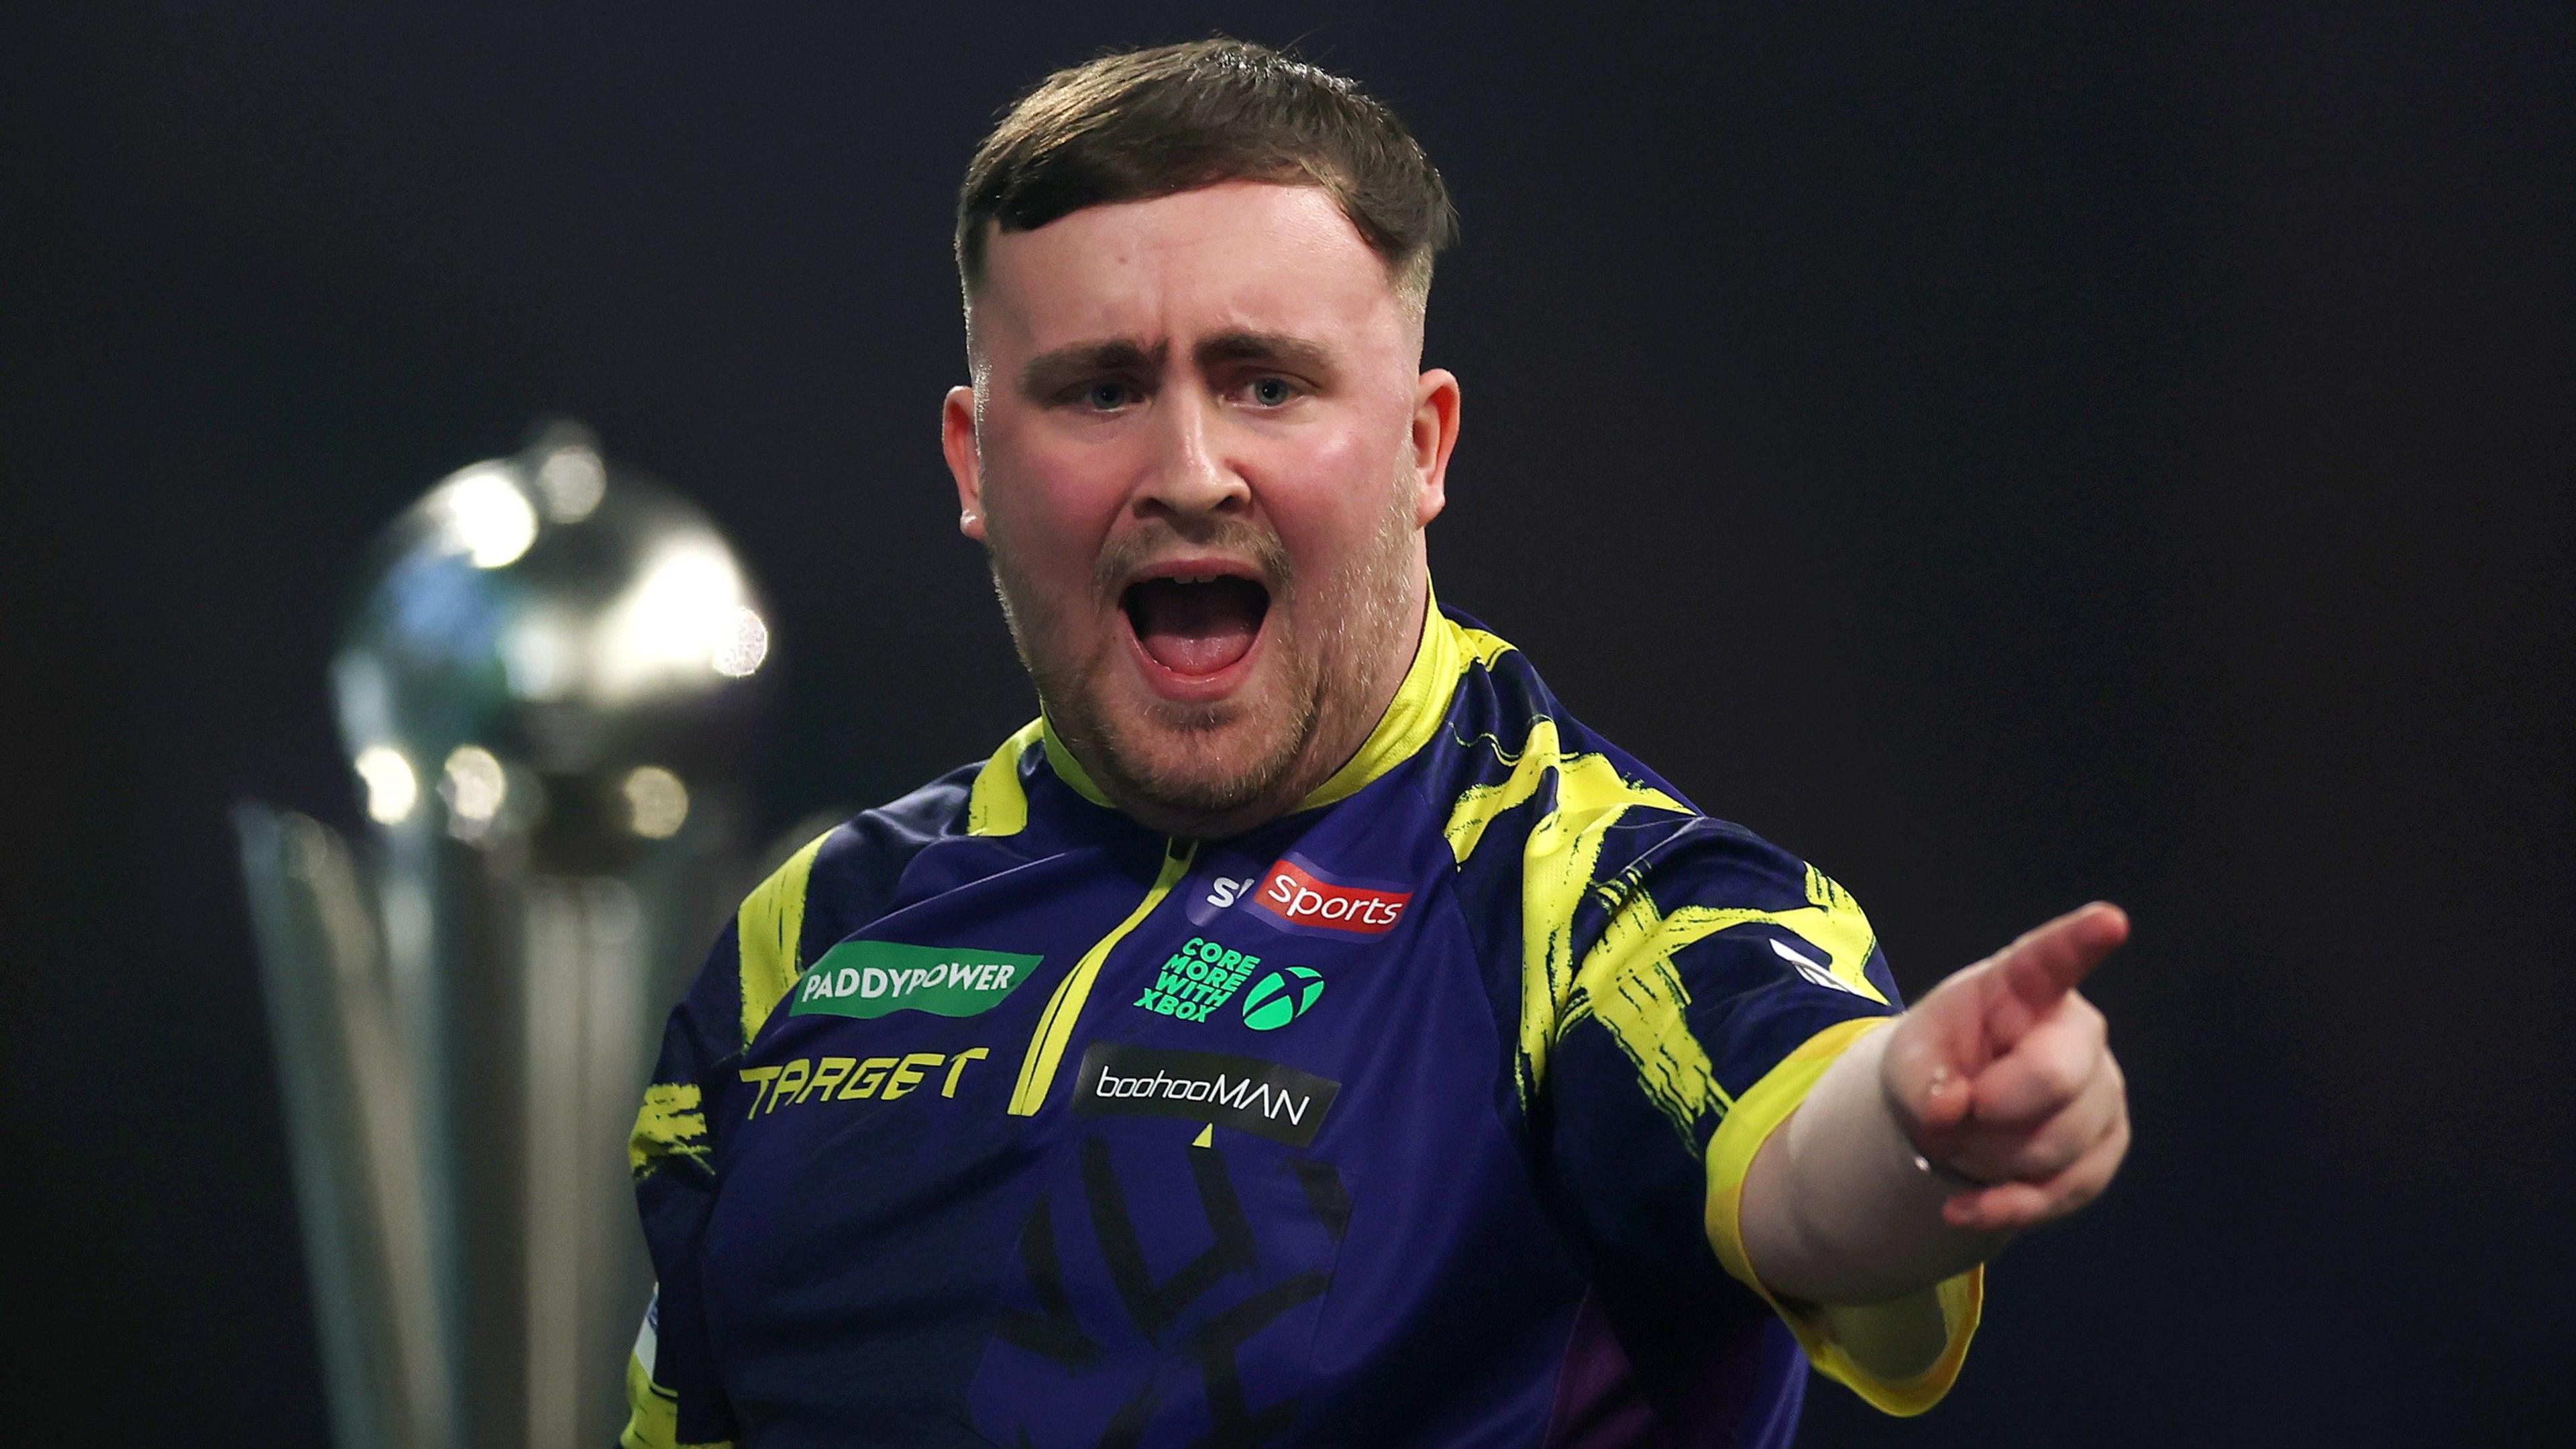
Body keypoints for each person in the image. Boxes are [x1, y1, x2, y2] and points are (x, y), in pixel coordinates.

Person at [622, 38, 2131, 1448]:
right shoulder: (808, 933)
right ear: (974, 460)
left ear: (1422, 447)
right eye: (1102, 390)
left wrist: (1929, 1129)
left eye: (1266, 383)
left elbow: (1812, 1158)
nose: (1190, 471)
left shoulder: (1589, 903)